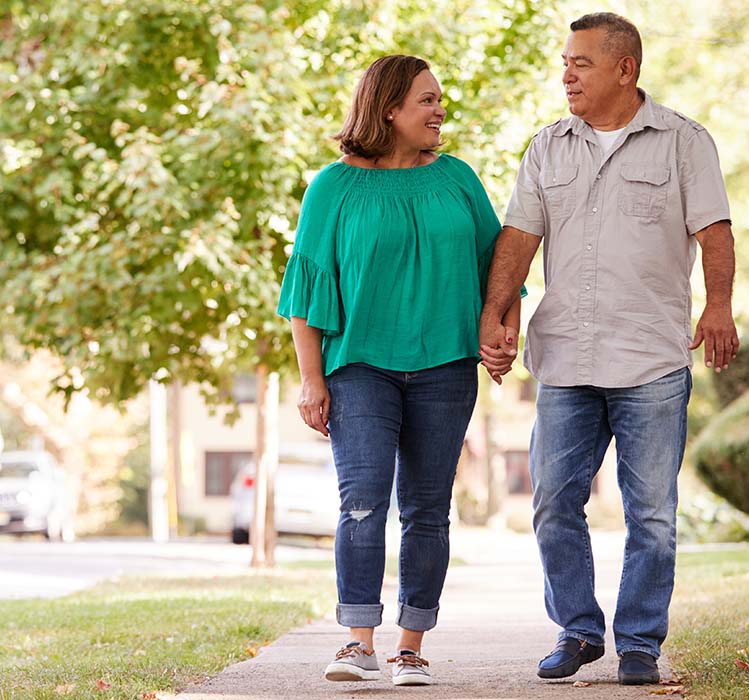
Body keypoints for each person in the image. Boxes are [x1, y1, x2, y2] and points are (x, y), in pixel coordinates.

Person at [477, 12, 738, 686]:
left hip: (650, 359)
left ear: (625, 69)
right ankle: (577, 631)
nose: (567, 74)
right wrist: (496, 313)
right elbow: (518, 238)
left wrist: (717, 305)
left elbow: (714, 230)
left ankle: (641, 642)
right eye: (566, 62)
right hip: (565, 358)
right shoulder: (548, 147)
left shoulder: (683, 142)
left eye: (582, 62)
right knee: (552, 501)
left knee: (651, 513)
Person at [277, 54, 521, 687]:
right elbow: (307, 290)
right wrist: (311, 380)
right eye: (427, 101)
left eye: (440, 100)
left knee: (427, 509)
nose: (440, 110)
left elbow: (500, 269)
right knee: (361, 503)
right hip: (359, 367)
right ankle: (358, 642)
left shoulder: (459, 180)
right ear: (388, 110)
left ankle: (410, 647)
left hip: (444, 366)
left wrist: (501, 333)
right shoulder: (333, 187)